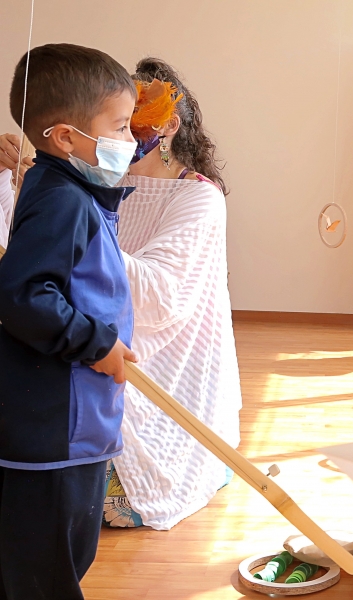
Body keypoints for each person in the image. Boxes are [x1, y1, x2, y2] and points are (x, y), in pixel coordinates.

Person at [0, 58, 242, 531]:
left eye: (134, 120)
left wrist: (83, 243)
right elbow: (24, 254)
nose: (126, 133)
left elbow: (164, 292)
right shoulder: (88, 176)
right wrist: (11, 175)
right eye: (117, 121)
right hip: (86, 333)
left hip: (151, 354)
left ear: (168, 124)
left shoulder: (198, 195)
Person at [0, 44, 137, 600]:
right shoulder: (63, 200)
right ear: (63, 137)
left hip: (74, 421)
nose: (130, 142)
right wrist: (96, 342)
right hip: (54, 430)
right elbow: (24, 294)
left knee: (60, 556)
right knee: (47, 569)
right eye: (121, 126)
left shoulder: (69, 191)